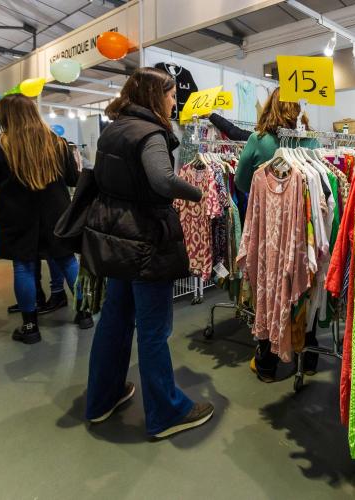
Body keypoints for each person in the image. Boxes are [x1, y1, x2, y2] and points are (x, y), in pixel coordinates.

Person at [83, 67, 213, 438]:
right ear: (156, 96)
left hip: (116, 237)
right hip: (146, 240)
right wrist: (199, 193)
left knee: (115, 320)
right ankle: (166, 414)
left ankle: (102, 399)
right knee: (154, 330)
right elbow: (162, 180)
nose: (174, 103)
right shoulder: (151, 133)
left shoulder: (115, 129)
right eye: (171, 96)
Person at [0, 94, 93, 345]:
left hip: (18, 215)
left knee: (23, 267)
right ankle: (85, 314)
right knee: (67, 261)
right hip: (56, 213)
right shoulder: (56, 142)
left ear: (6, 116)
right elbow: (72, 178)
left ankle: (30, 327)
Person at [234, 87, 319, 382]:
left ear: (271, 106)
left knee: (268, 287)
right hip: (302, 225)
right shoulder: (311, 140)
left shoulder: (258, 141)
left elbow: (240, 181)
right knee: (303, 287)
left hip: (269, 227)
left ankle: (267, 365)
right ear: (298, 108)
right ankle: (309, 358)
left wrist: (266, 193)